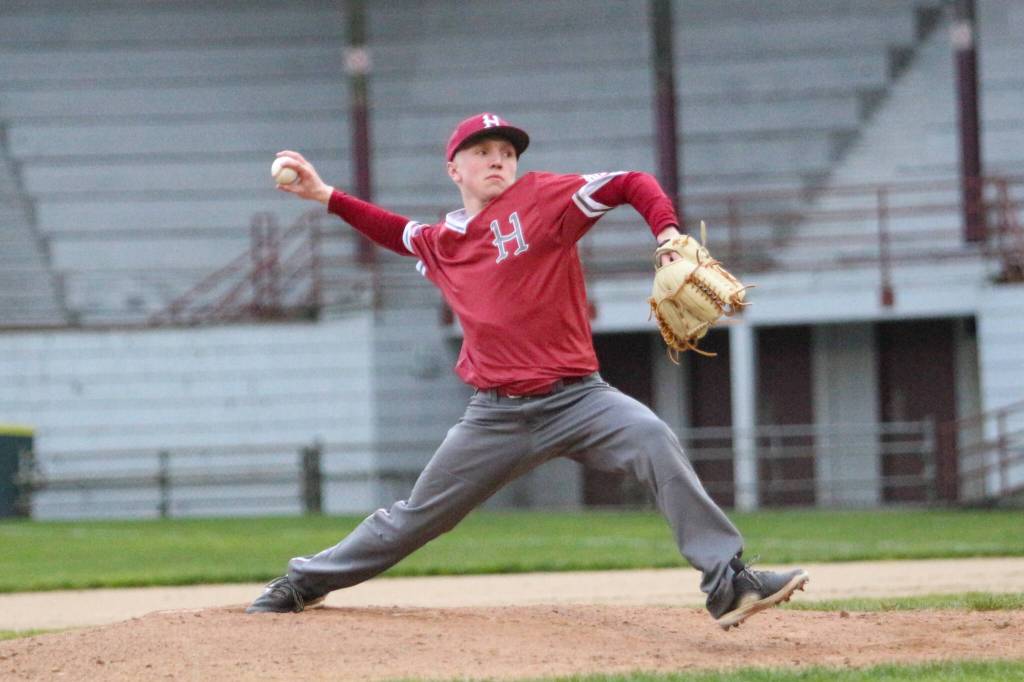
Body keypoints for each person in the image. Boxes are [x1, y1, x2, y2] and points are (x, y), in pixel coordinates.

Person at [246, 113, 808, 629]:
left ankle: (727, 584)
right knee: (416, 518)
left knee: (654, 440)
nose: (498, 160)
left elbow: (632, 182)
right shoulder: (443, 242)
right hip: (494, 418)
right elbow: (394, 231)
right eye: (483, 150)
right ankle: (303, 582)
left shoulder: (544, 200)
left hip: (580, 401)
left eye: (507, 152)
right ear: (454, 169)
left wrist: (664, 233)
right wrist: (324, 195)